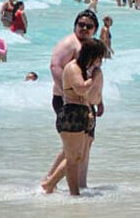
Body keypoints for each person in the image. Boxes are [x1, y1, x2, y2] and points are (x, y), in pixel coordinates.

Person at [43, 38, 106, 196]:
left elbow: (87, 97)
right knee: (73, 157)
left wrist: (91, 110)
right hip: (70, 114)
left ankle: (50, 184)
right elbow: (80, 89)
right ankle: (74, 193)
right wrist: (95, 78)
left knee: (78, 156)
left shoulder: (84, 69)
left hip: (81, 112)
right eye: (99, 57)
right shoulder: (73, 68)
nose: (100, 62)